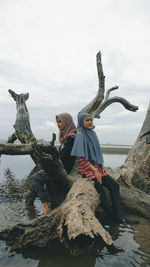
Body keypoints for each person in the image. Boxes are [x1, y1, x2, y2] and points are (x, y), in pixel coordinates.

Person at [71, 113, 138, 225]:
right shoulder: (80, 135)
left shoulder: (92, 133)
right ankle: (116, 218)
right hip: (87, 171)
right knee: (101, 196)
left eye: (91, 120)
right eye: (87, 120)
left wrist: (102, 167)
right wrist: (95, 171)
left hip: (97, 168)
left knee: (115, 186)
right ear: (81, 122)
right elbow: (81, 159)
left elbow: (98, 153)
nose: (90, 122)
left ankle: (120, 217)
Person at [26, 113, 76, 214]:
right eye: (57, 122)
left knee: (34, 178)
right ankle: (29, 206)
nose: (58, 124)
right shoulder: (64, 137)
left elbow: (66, 158)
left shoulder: (71, 138)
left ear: (67, 122)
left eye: (60, 121)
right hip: (58, 166)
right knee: (34, 184)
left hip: (62, 170)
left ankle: (45, 205)